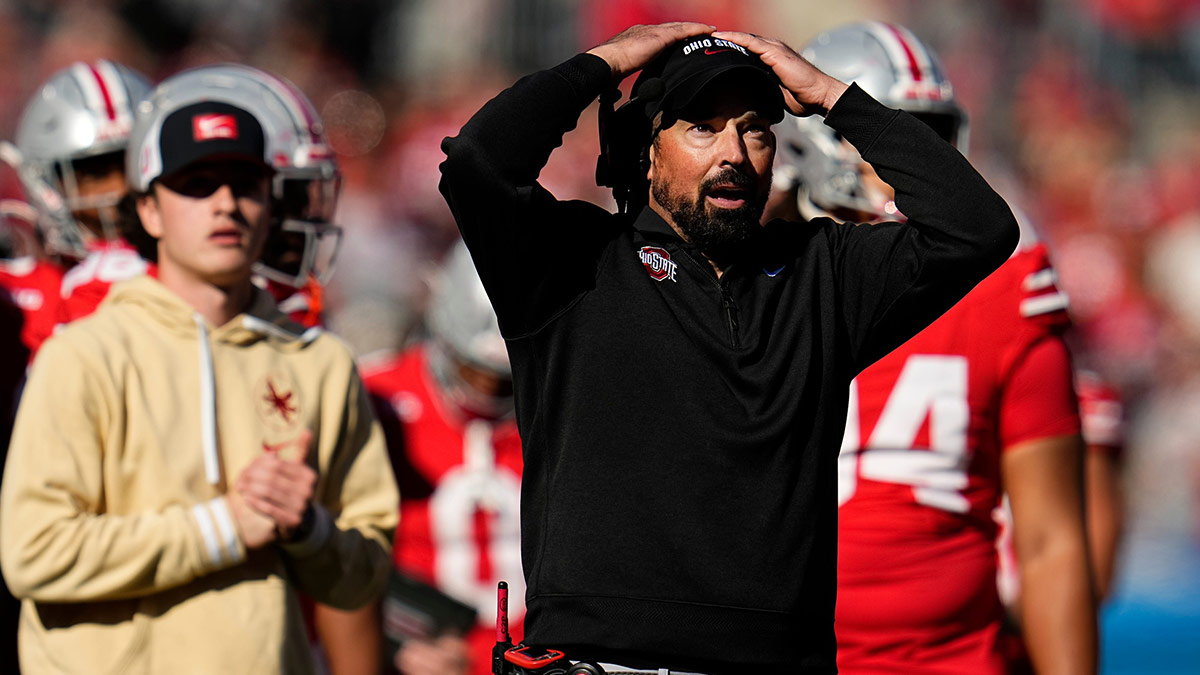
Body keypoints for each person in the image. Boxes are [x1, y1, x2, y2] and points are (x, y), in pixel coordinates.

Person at [439, 21, 1019, 674]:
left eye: (754, 128)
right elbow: (476, 162)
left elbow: (978, 228)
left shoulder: (819, 274)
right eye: (702, 126)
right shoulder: (572, 265)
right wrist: (610, 61)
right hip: (598, 661)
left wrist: (832, 95)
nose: (735, 152)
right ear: (646, 151)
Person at [0, 65, 399, 675]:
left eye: (245, 183)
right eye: (195, 183)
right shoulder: (80, 352)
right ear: (149, 211)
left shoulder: (318, 361)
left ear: (270, 202)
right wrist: (223, 528)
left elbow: (362, 577)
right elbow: (33, 553)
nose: (224, 203)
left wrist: (309, 529)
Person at [768, 21, 1097, 675]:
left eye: (932, 133)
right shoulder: (748, 269)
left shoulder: (1008, 281)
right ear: (818, 139)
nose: (916, 155)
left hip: (948, 658)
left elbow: (1050, 539)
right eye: (891, 131)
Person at [362, 239, 524, 675]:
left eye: (503, 382)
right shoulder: (376, 399)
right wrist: (387, 644)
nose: (485, 393)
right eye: (473, 371)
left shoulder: (565, 404)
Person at [7, 59, 153, 322]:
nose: (120, 189)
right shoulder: (21, 302)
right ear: (47, 184)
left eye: (132, 166)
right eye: (96, 173)